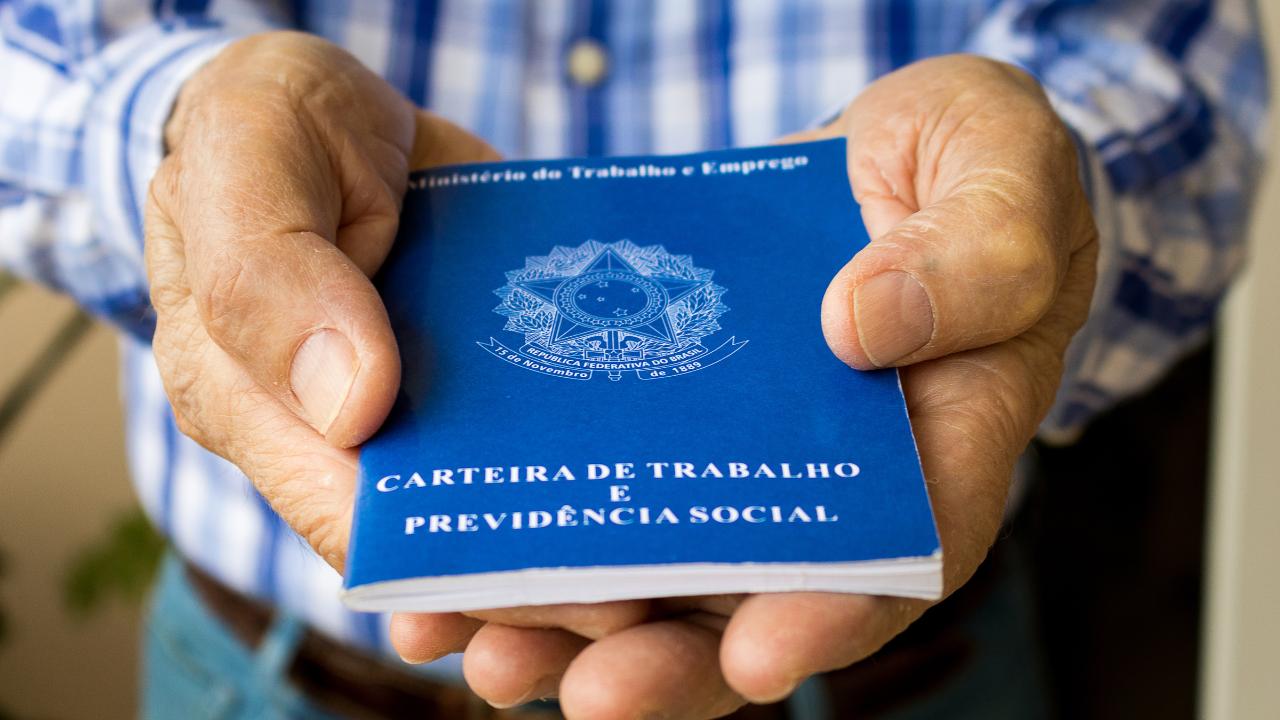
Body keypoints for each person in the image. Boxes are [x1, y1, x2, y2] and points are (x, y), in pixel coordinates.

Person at [0, 1, 1266, 718]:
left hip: (900, 680)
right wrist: (189, 159)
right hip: (276, 679)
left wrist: (1035, 218)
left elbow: (1176, 74)